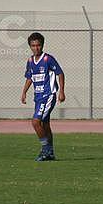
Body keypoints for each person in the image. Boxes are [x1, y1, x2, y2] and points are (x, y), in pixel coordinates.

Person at [20, 32, 65, 161]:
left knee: (35, 122)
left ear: (42, 45)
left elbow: (60, 74)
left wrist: (61, 91)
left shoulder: (48, 59)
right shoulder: (30, 61)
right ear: (30, 46)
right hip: (38, 97)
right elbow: (30, 77)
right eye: (33, 45)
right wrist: (24, 92)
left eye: (38, 45)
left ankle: (46, 150)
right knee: (45, 125)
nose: (36, 48)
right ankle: (50, 153)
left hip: (48, 95)